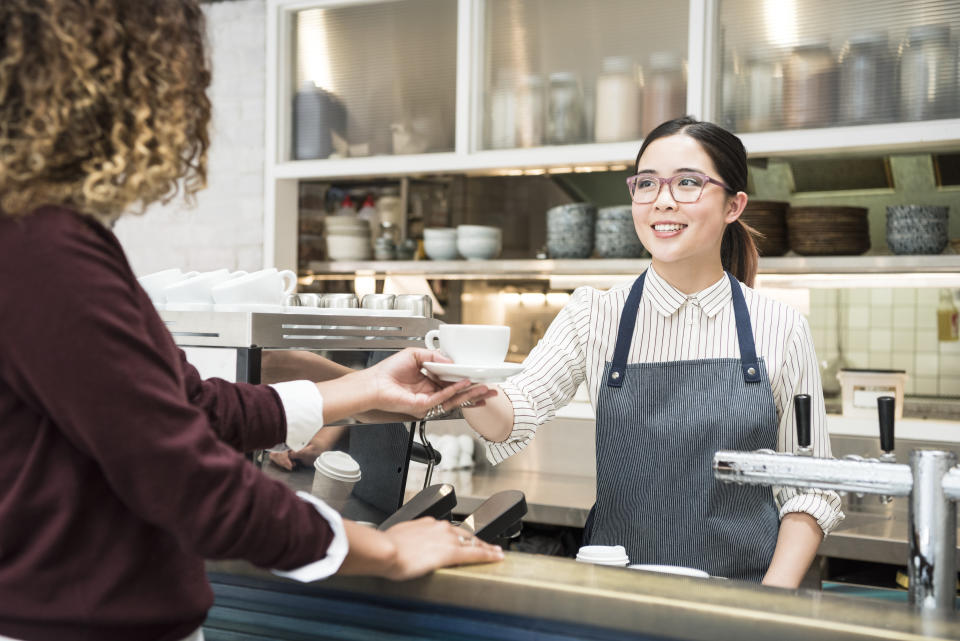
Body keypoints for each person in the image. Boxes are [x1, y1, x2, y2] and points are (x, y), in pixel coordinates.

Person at [0, 2, 501, 641]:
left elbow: (189, 407)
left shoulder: (37, 234)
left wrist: (361, 390)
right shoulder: (42, 248)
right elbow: (179, 470)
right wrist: (385, 550)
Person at [462, 116, 844, 587]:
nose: (663, 200)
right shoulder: (594, 313)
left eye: (688, 183)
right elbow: (512, 416)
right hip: (619, 599)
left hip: (741, 598)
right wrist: (459, 382)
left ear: (734, 205)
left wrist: (767, 603)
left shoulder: (781, 327)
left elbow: (813, 490)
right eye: (647, 184)